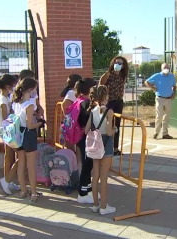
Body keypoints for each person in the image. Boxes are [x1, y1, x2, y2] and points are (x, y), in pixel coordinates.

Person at [85, 85, 117, 215]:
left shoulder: (93, 111)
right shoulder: (109, 111)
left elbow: (86, 130)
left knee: (95, 175)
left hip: (95, 144)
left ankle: (95, 204)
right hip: (106, 143)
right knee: (104, 177)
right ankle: (104, 206)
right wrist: (115, 130)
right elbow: (109, 132)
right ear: (105, 97)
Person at [12, 78, 45, 202]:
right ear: (30, 90)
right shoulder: (29, 105)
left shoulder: (16, 103)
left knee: (21, 163)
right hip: (28, 134)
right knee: (31, 166)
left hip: (18, 134)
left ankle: (23, 190)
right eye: (34, 90)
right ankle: (34, 192)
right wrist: (40, 123)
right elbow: (30, 125)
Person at [0, 74, 21, 195]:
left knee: (9, 156)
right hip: (7, 131)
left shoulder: (4, 98)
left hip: (6, 131)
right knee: (21, 156)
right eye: (13, 85)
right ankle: (6, 180)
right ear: (8, 86)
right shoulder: (3, 100)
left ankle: (7, 181)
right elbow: (6, 119)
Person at [74, 78, 98, 203]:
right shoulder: (87, 103)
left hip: (80, 136)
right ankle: (82, 193)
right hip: (86, 137)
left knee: (87, 163)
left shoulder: (79, 100)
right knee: (87, 165)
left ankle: (87, 190)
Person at [99, 56, 129, 156]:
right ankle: (106, 147)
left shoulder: (122, 75)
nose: (118, 65)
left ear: (123, 66)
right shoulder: (108, 74)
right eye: (116, 63)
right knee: (108, 125)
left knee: (117, 126)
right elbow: (101, 85)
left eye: (120, 63)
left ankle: (115, 148)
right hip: (110, 102)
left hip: (119, 102)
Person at [145, 63, 176, 139]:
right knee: (159, 116)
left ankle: (165, 133)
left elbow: (174, 86)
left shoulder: (172, 77)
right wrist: (153, 88)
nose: (166, 69)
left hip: (169, 99)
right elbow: (147, 82)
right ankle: (156, 132)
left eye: (168, 67)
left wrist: (174, 93)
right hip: (160, 98)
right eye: (165, 67)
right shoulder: (157, 76)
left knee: (167, 117)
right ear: (162, 68)